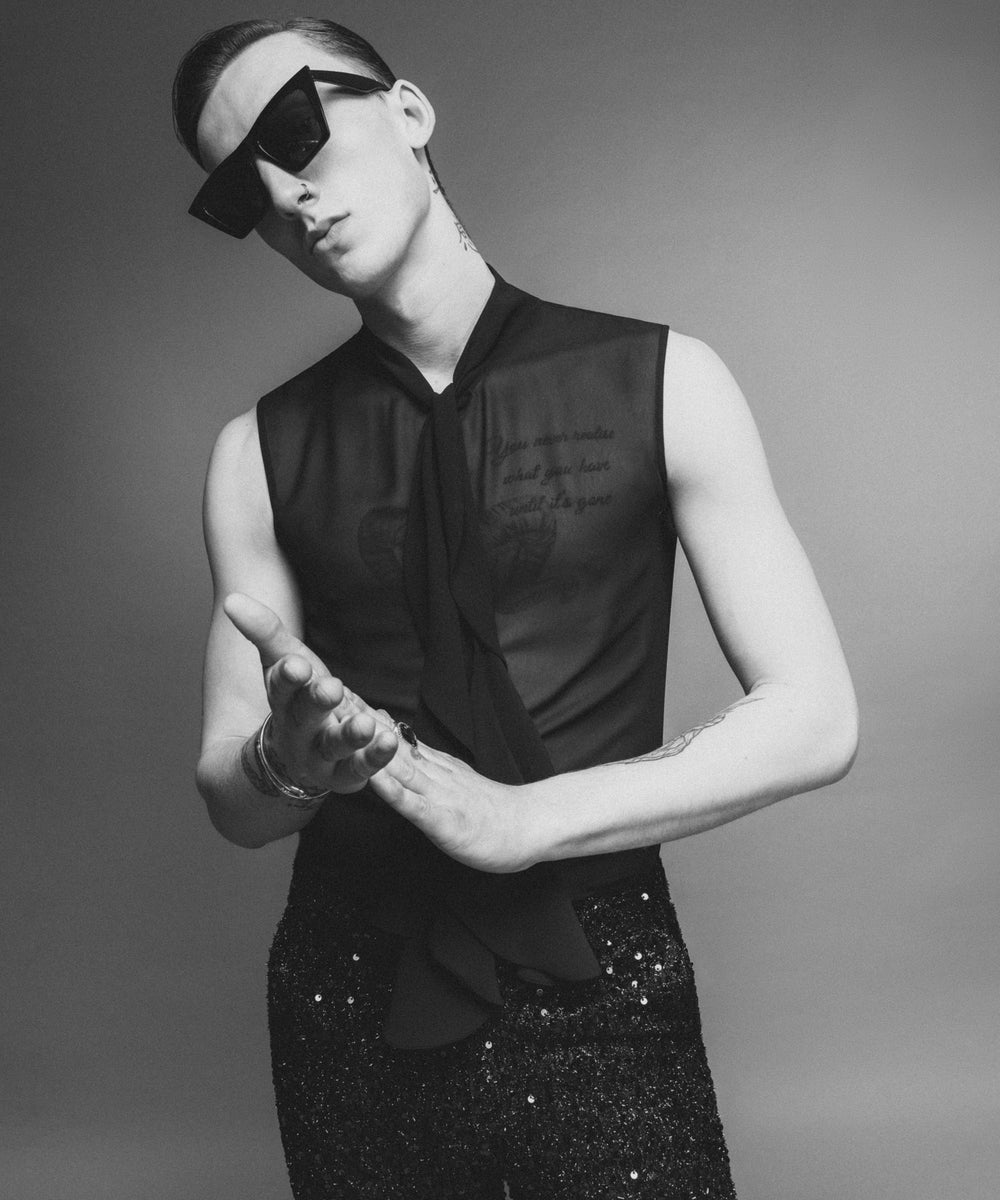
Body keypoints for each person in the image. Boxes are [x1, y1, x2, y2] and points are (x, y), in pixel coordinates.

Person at [173, 16, 858, 1200]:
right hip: (350, 995)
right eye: (242, 190)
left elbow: (814, 718)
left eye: (296, 130)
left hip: (604, 976)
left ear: (407, 109)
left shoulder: (667, 381)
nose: (286, 194)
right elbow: (235, 806)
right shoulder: (253, 454)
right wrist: (287, 764)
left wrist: (527, 820)